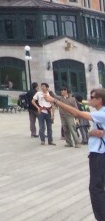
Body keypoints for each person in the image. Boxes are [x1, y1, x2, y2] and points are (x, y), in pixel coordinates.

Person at [47, 87, 105, 219]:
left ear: (100, 100)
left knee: (96, 188)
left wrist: (55, 101)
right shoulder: (100, 113)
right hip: (99, 154)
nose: (90, 99)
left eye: (92, 97)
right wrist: (92, 133)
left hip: (99, 155)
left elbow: (76, 113)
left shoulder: (102, 113)